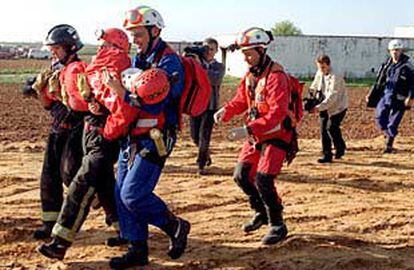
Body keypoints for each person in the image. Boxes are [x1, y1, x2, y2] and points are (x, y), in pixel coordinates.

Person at [36, 27, 135, 260]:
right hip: (91, 132)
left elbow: (122, 109)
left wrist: (105, 127)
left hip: (98, 134)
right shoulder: (96, 69)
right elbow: (93, 102)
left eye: (105, 45)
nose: (100, 49)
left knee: (80, 183)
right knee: (103, 183)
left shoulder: (117, 70)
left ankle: (60, 242)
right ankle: (124, 229)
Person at [104, 6, 191, 269]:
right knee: (121, 195)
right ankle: (137, 249)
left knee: (133, 194)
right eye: (131, 34)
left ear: (155, 31)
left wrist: (120, 92)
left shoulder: (169, 62)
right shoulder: (138, 60)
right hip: (132, 138)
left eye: (138, 34)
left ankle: (174, 225)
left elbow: (153, 103)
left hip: (155, 137)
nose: (134, 40)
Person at [214, 27, 291, 245]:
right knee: (241, 175)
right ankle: (260, 212)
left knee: (264, 179)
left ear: (262, 50)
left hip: (276, 135)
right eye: (244, 54)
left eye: (250, 54)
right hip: (256, 135)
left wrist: (248, 130)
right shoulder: (250, 76)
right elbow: (240, 100)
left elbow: (277, 114)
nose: (246, 59)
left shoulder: (277, 77)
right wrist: (225, 111)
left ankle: (277, 224)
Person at [22, 24, 85, 240]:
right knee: (49, 176)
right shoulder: (55, 69)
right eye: (51, 48)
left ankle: (112, 214)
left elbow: (79, 104)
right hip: (58, 128)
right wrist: (37, 91)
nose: (52, 52)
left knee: (72, 174)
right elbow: (49, 106)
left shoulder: (78, 70)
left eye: (56, 48)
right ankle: (50, 223)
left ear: (70, 47)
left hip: (76, 130)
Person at [189, 38, 225, 175]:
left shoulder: (219, 67)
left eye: (211, 49)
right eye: (206, 48)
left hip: (210, 106)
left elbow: (214, 80)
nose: (208, 52)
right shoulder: (195, 63)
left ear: (216, 51)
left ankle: (201, 164)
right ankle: (206, 154)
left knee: (204, 136)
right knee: (194, 136)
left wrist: (199, 67)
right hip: (196, 104)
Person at [372, 39, 414, 153]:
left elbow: (413, 83)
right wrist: (372, 94)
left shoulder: (407, 66)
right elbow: (379, 81)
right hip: (386, 95)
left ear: (401, 51)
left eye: (397, 50)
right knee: (380, 117)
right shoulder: (387, 65)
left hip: (400, 97)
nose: (395, 52)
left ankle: (389, 145)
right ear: (389, 51)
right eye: (393, 50)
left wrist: (410, 97)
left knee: (393, 122)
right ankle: (387, 134)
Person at [309, 54, 348, 163]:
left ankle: (340, 147)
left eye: (323, 67)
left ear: (328, 65)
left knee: (331, 127)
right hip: (324, 105)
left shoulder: (336, 76)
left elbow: (332, 97)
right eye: (319, 67)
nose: (321, 70)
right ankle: (327, 155)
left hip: (338, 107)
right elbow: (314, 86)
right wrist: (311, 96)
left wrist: (318, 108)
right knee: (323, 130)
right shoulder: (320, 72)